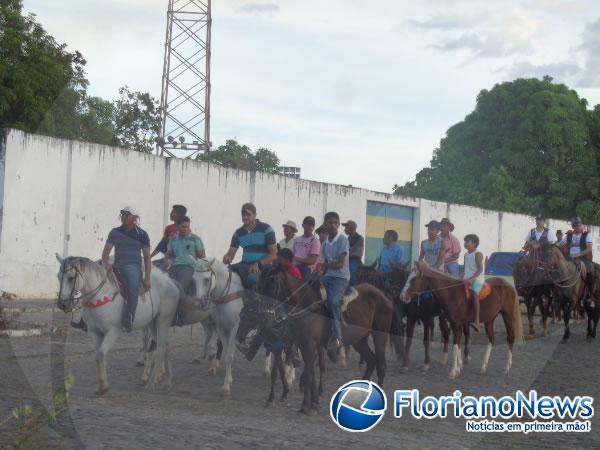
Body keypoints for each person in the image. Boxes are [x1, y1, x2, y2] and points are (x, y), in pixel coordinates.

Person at [101, 206, 151, 332]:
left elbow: (146, 257)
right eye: (122, 214)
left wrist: (147, 279)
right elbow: (106, 252)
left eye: (127, 215)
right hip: (116, 265)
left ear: (134, 218)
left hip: (132, 267)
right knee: (92, 278)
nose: (123, 217)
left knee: (132, 287)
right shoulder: (114, 232)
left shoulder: (142, 234)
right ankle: (85, 319)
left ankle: (129, 319)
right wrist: (105, 263)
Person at [223, 203, 277, 291]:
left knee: (252, 279)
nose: (245, 217)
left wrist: (259, 264)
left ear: (255, 215)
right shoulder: (238, 233)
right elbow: (230, 253)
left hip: (263, 267)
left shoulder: (266, 229)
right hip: (244, 265)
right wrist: (227, 257)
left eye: (248, 214)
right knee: (224, 274)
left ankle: (255, 303)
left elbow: (274, 254)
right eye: (243, 215)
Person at [319, 211, 350, 366]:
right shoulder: (324, 244)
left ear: (338, 225)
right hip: (327, 277)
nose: (332, 225)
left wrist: (324, 266)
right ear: (325, 225)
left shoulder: (343, 240)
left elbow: (340, 264)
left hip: (340, 278)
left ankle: (339, 342)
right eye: (329, 222)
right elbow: (322, 265)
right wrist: (317, 275)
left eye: (334, 223)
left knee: (332, 302)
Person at [166, 216, 205, 325]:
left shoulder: (195, 239)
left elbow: (202, 257)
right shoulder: (173, 239)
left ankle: (180, 315)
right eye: (183, 227)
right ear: (177, 227)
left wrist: (198, 262)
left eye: (188, 227)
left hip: (190, 267)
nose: (186, 229)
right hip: (174, 267)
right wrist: (168, 260)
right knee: (163, 286)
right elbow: (168, 255)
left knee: (179, 286)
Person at [560, 217, 595, 297]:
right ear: (573, 227)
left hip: (584, 258)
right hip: (569, 258)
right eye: (577, 226)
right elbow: (559, 244)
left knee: (590, 270)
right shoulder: (569, 235)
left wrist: (578, 255)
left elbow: (589, 249)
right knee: (558, 268)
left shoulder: (587, 235)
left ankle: (590, 293)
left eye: (580, 225)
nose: (579, 227)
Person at [463, 234, 484, 331]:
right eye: (465, 242)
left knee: (474, 295)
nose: (465, 244)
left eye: (467, 242)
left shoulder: (478, 254)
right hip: (466, 278)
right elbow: (464, 268)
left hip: (477, 279)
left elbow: (480, 269)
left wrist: (471, 279)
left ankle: (477, 320)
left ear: (474, 243)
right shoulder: (466, 254)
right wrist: (460, 277)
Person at [293, 216, 321, 280]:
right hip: (294, 266)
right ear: (303, 225)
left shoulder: (315, 241)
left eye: (312, 225)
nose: (310, 227)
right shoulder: (297, 239)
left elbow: (312, 260)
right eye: (308, 224)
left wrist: (296, 259)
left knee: (306, 284)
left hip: (306, 268)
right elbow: (293, 254)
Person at [343, 220, 364, 286]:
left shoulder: (359, 238)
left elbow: (359, 254)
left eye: (346, 227)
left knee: (351, 273)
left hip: (354, 261)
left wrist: (346, 254)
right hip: (346, 261)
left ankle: (355, 288)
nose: (344, 229)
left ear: (352, 228)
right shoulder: (347, 239)